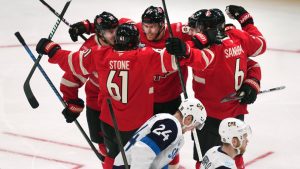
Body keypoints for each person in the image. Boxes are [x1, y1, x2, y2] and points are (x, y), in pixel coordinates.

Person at [36, 23, 216, 169]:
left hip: (108, 121)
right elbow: (188, 59)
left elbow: (71, 62)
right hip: (137, 124)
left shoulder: (100, 54)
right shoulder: (145, 57)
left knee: (113, 158)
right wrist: (188, 48)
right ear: (136, 41)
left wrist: (51, 49)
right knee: (145, 158)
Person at [186, 6, 266, 169]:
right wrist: (246, 21)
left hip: (209, 114)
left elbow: (182, 55)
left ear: (205, 29)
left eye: (196, 28)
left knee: (204, 160)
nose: (192, 31)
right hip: (235, 111)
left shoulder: (208, 50)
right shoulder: (237, 37)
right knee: (236, 154)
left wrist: (194, 42)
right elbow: (258, 49)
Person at [58, 11, 119, 160]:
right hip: (97, 100)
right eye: (110, 32)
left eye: (115, 30)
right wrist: (72, 101)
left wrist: (87, 26)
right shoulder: (88, 50)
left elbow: (130, 23)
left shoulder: (124, 35)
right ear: (100, 33)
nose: (115, 35)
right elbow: (71, 78)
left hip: (123, 99)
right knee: (106, 149)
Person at [113, 98, 207, 169]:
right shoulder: (171, 126)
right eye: (195, 125)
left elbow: (158, 160)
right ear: (188, 119)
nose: (192, 129)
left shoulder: (168, 122)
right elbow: (143, 150)